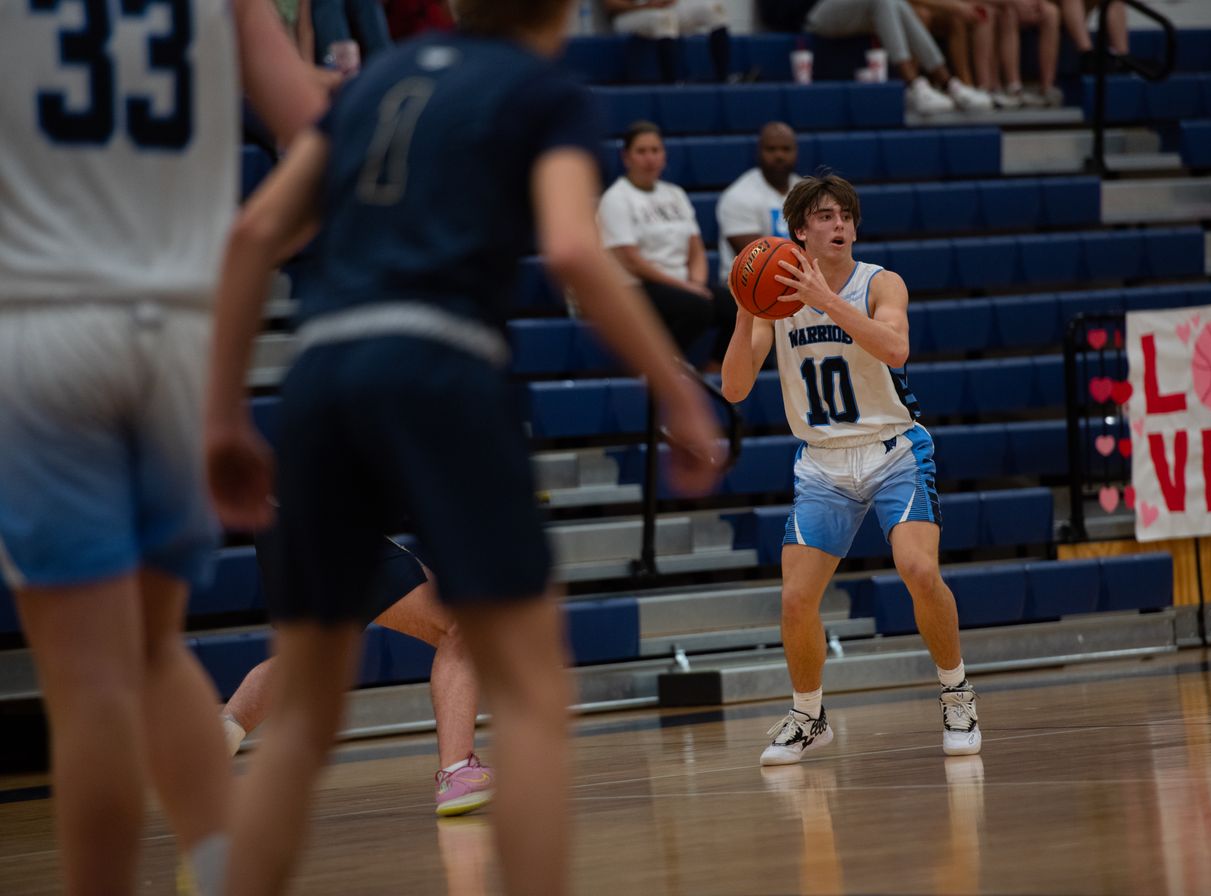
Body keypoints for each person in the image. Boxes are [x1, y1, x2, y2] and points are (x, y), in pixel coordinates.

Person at [203, 2, 724, 894]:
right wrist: (679, 392)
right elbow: (570, 245)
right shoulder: (542, 91)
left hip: (324, 377)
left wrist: (220, 415)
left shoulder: (370, 85)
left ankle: (226, 872)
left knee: (308, 697)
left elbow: (253, 235)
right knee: (528, 685)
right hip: (443, 368)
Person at [0, 2, 325, 894]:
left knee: (91, 682)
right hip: (179, 335)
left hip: (43, 320)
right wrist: (237, 246)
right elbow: (328, 141)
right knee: (149, 651)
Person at [720, 174, 981, 766]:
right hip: (822, 461)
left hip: (893, 448)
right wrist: (742, 310)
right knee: (794, 599)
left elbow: (895, 349)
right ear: (799, 232)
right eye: (825, 216)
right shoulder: (775, 302)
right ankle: (809, 716)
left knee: (917, 567)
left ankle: (956, 691)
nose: (839, 225)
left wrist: (828, 302)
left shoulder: (880, 282)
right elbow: (734, 389)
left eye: (846, 216)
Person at [220, 534, 493, 817]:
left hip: (278, 536)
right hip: (335, 522)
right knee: (458, 627)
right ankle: (457, 770)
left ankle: (215, 743)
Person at [600, 120, 738, 365]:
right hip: (638, 286)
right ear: (626, 157)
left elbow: (695, 247)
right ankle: (662, 369)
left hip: (681, 284)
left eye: (655, 150)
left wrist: (695, 281)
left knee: (737, 305)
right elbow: (631, 261)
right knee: (697, 308)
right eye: (641, 151)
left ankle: (715, 371)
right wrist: (685, 287)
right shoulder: (616, 198)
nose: (650, 158)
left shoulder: (675, 194)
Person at [800, 0, 994, 114]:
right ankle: (913, 83)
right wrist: (952, 6)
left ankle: (949, 84)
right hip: (822, 15)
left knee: (896, 3)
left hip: (866, 13)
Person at [716, 122, 803, 277]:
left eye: (786, 149)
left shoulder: (806, 191)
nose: (779, 156)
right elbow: (757, 258)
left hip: (799, 279)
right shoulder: (738, 195)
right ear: (758, 152)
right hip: (747, 286)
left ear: (796, 152)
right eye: (771, 149)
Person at [604, 0, 733, 83]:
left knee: (715, 9)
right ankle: (671, 84)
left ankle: (723, 78)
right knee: (664, 19)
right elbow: (611, 5)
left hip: (665, 8)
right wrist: (647, 5)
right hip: (629, 14)